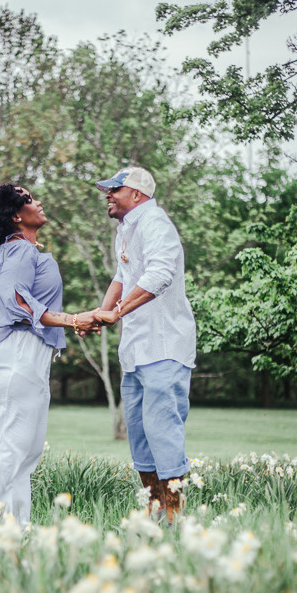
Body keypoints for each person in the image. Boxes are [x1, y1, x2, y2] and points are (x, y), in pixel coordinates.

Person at [0, 183, 100, 526]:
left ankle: (13, 529)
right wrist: (72, 320)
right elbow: (16, 299)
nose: (38, 201)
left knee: (25, 450)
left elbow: (30, 303)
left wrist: (70, 322)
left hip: (28, 350)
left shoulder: (25, 251)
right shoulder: (19, 251)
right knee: (8, 445)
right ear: (16, 215)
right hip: (16, 348)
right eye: (29, 199)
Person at [90, 167, 197, 523]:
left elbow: (160, 274)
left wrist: (116, 313)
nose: (107, 194)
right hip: (135, 352)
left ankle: (175, 517)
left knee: (163, 432)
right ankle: (154, 512)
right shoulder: (125, 231)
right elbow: (122, 278)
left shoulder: (155, 224)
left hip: (164, 347)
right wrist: (100, 315)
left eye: (114, 189)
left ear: (136, 194)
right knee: (139, 435)